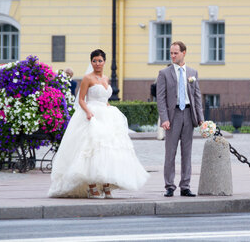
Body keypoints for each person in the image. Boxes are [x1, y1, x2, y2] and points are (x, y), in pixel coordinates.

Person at [48, 49, 149, 198]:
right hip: (91, 114)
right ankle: (92, 186)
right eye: (94, 61)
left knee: (107, 151)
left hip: (106, 114)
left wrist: (109, 108)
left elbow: (104, 98)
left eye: (100, 60)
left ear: (104, 62)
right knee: (91, 149)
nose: (97, 63)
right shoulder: (87, 78)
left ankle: (106, 185)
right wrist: (88, 112)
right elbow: (81, 99)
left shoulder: (106, 78)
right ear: (91, 62)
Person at [156, 41, 204, 197]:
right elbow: (161, 98)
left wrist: (201, 119)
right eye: (171, 53)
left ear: (184, 53)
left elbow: (197, 97)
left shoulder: (192, 72)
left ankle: (185, 186)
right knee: (170, 152)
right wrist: (164, 118)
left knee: (187, 153)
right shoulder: (164, 73)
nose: (173, 55)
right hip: (173, 116)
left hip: (189, 115)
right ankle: (169, 186)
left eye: (176, 53)